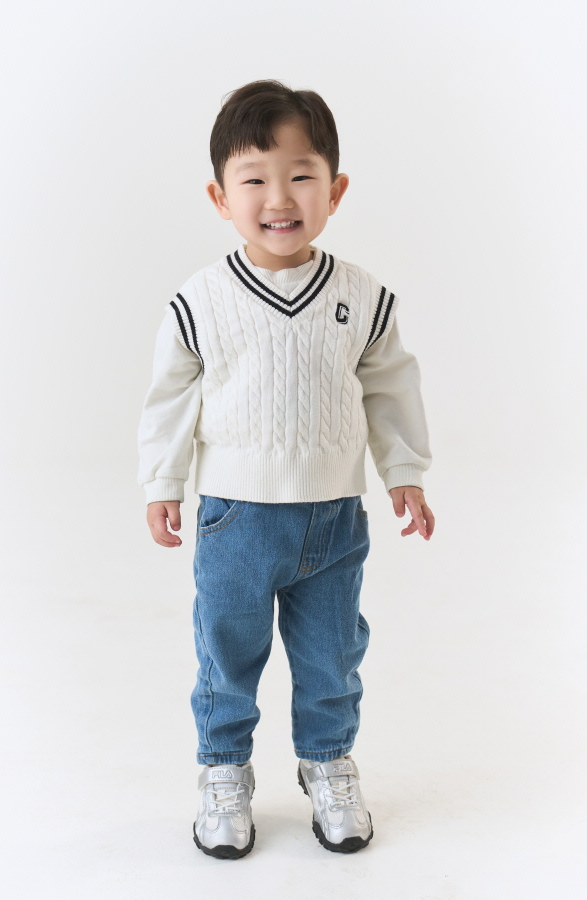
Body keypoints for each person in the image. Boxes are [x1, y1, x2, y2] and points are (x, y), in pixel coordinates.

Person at [137, 79, 435, 860]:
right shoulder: (201, 300)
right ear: (219, 196)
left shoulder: (361, 297)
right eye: (255, 179)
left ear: (335, 190)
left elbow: (391, 386)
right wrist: (162, 483)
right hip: (235, 519)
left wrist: (405, 470)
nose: (279, 198)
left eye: (302, 175)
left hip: (334, 519)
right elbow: (170, 397)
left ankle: (328, 762)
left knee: (332, 655)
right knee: (226, 654)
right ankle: (224, 769)